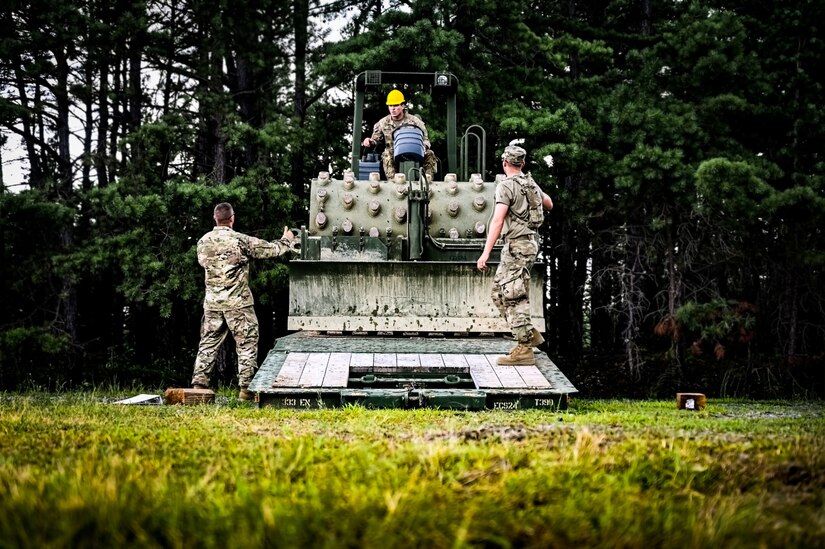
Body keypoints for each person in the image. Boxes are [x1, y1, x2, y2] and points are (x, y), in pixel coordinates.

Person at [191, 203, 297, 400]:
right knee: (246, 344)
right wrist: (287, 240)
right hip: (238, 304)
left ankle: (198, 386)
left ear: (215, 218)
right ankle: (246, 390)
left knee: (207, 344)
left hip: (212, 303)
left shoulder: (203, 241)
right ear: (232, 218)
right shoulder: (239, 240)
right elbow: (271, 250)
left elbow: (203, 262)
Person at [476, 145, 554, 365]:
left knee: (513, 295)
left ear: (504, 163)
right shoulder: (530, 183)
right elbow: (548, 203)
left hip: (518, 247)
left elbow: (498, 220)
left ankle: (524, 349)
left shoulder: (506, 186)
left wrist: (485, 253)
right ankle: (528, 333)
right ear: (523, 164)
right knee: (498, 293)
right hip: (525, 245)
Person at [361, 89, 437, 179]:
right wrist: (369, 141)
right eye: (390, 106)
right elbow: (375, 140)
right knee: (386, 153)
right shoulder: (382, 123)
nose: (393, 108)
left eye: (396, 105)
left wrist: (423, 148)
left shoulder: (415, 122)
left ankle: (427, 181)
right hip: (393, 154)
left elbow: (425, 140)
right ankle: (394, 182)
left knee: (430, 153)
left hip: (415, 152)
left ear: (403, 106)